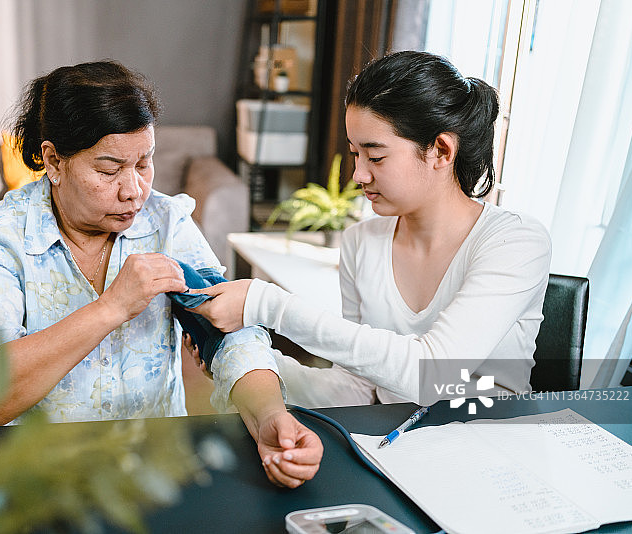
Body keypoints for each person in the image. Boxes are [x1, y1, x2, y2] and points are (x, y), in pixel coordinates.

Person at [0, 60, 321, 488]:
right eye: (109, 170)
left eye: (143, 163)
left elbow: (230, 333)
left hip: (151, 473)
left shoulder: (166, 223)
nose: (134, 191)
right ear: (54, 160)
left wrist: (269, 415)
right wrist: (111, 308)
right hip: (37, 480)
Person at [190, 51, 552, 407]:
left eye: (376, 156)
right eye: (355, 154)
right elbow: (355, 390)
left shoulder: (515, 242)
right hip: (398, 438)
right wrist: (247, 363)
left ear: (441, 151)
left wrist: (268, 305)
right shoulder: (361, 242)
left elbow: (433, 374)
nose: (359, 175)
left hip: (490, 436)